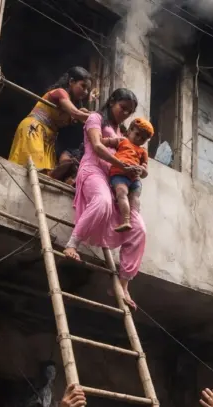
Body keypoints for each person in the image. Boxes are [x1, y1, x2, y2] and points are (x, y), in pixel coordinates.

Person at [62, 88, 145, 310]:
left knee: (139, 228)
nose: (125, 114)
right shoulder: (95, 118)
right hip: (92, 171)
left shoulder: (124, 133)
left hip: (114, 180)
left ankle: (123, 284)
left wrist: (137, 169)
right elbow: (97, 146)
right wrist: (122, 165)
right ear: (111, 102)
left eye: (130, 112)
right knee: (103, 203)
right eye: (123, 108)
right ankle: (72, 244)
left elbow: (134, 156)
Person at [9, 67, 92, 171]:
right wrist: (95, 117)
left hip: (48, 141)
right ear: (71, 81)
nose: (85, 92)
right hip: (34, 130)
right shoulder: (61, 93)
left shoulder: (72, 105)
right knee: (30, 171)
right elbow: (75, 113)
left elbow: (79, 115)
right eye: (83, 86)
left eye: (88, 89)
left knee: (44, 175)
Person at [99, 118, 155, 233]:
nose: (139, 139)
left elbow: (145, 172)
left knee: (134, 198)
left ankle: (134, 221)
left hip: (135, 179)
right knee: (122, 193)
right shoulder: (122, 141)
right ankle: (126, 220)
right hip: (120, 174)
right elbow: (105, 142)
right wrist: (97, 138)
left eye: (143, 138)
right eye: (137, 134)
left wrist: (141, 170)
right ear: (129, 130)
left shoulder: (143, 151)